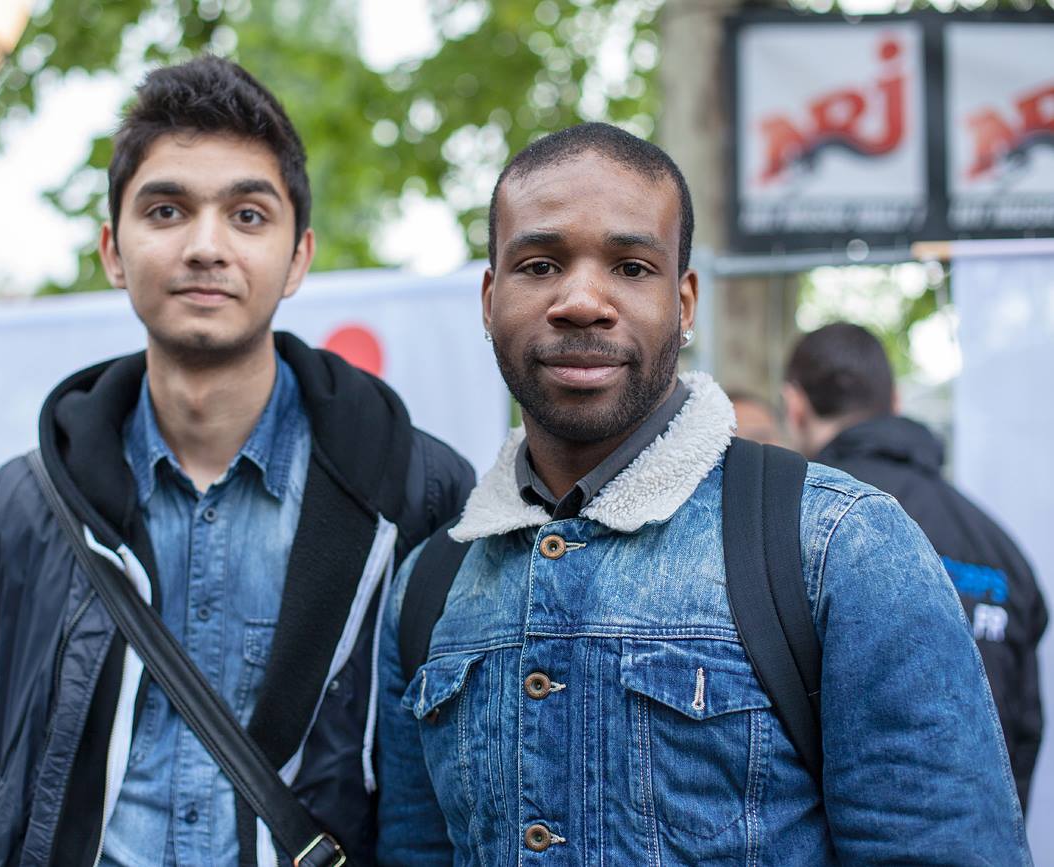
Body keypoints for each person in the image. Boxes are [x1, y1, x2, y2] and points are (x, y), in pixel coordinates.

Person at [375, 122, 1030, 864]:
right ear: (489, 298)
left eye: (629, 266)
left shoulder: (840, 544)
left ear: (685, 304)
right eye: (539, 264)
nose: (582, 300)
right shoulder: (428, 586)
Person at [0, 58, 474, 867]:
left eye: (249, 215)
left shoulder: (416, 491)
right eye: (167, 209)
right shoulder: (27, 500)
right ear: (115, 250)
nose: (206, 246)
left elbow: (455, 783)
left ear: (298, 258)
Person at [784, 321, 1046, 810]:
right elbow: (1027, 730)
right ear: (896, 401)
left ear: (794, 404)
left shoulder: (780, 527)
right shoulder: (997, 547)